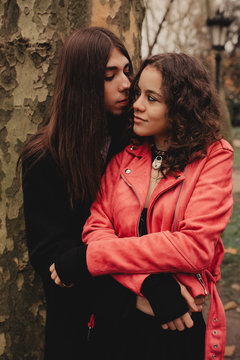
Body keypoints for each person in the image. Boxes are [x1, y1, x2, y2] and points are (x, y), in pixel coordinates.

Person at [50, 53, 233, 360]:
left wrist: (92, 258)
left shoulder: (213, 157)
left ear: (181, 108)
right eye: (138, 94)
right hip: (117, 320)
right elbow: (97, 228)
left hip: (177, 325)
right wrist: (148, 283)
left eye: (152, 98)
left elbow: (193, 247)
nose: (136, 105)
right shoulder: (124, 157)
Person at [18, 26, 133, 360]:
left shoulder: (135, 142)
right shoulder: (43, 157)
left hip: (139, 319)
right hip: (79, 326)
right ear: (83, 82)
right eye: (109, 75)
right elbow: (49, 253)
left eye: (127, 71)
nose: (125, 84)